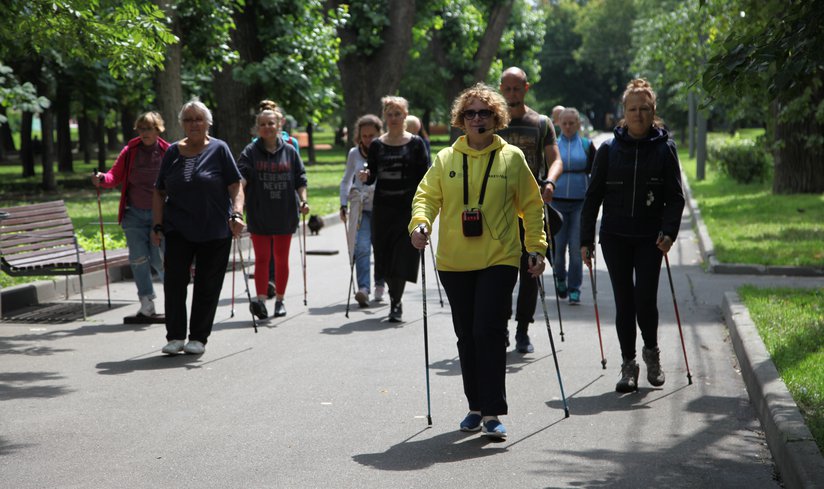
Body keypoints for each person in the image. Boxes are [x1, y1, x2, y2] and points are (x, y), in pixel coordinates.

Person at [410, 83, 547, 439]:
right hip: (454, 262)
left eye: (483, 113)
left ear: (495, 117)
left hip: (499, 257)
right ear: (460, 119)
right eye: (469, 113)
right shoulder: (445, 160)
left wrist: (536, 246)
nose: (476, 119)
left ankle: (492, 412)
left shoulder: (512, 158)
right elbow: (426, 197)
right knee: (467, 336)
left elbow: (531, 205)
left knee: (488, 331)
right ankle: (475, 406)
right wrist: (420, 223)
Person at [580, 79, 685, 393]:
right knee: (624, 302)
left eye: (644, 109)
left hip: (650, 237)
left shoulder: (665, 148)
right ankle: (628, 365)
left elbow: (675, 197)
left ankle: (651, 353)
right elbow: (593, 196)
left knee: (645, 299)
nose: (639, 114)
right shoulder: (609, 149)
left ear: (653, 111)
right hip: (615, 236)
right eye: (633, 109)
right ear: (623, 113)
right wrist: (585, 240)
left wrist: (669, 232)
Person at [152, 99, 245, 356]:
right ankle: (175, 336)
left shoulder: (219, 149)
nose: (194, 124)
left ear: (208, 123)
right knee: (174, 283)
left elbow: (236, 185)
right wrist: (157, 225)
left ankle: (198, 338)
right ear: (182, 124)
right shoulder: (172, 152)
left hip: (215, 229)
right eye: (188, 120)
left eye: (198, 119)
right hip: (178, 228)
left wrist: (236, 214)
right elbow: (159, 191)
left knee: (207, 285)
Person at [497, 66, 563, 354]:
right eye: (507, 88)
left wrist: (550, 181)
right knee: (499, 271)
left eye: (516, 88)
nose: (511, 93)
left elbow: (555, 159)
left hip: (531, 206)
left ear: (526, 88)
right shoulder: (491, 121)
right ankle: (500, 326)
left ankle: (523, 329)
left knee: (530, 269)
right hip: (497, 208)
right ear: (500, 88)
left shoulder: (542, 122)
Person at [359, 96, 429, 322]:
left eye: (398, 114)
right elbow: (371, 178)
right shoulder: (378, 145)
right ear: (384, 117)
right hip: (383, 209)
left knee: (403, 256)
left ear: (406, 115)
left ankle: (395, 302)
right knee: (385, 256)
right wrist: (366, 176)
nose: (394, 118)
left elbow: (425, 176)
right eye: (389, 114)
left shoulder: (416, 143)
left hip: (407, 209)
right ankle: (393, 298)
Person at [93, 111, 169, 318]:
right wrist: (102, 179)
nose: (144, 132)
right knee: (138, 259)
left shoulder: (167, 151)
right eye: (141, 128)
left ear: (158, 130)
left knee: (159, 259)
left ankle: (174, 300)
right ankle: (146, 303)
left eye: (149, 128)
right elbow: (114, 176)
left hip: (159, 216)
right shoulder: (130, 151)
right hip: (133, 214)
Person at [237, 100, 309, 319]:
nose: (267, 127)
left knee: (280, 259)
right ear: (258, 128)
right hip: (260, 212)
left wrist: (303, 201)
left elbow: (300, 178)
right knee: (261, 258)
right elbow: (241, 180)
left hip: (285, 212)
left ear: (279, 126)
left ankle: (280, 299)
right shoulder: (250, 151)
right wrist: (237, 206)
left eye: (271, 123)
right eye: (263, 124)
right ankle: (260, 301)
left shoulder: (289, 151)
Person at [339, 114, 385, 306]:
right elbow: (346, 180)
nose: (368, 140)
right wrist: (343, 203)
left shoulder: (385, 150)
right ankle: (363, 289)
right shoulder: (353, 154)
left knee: (381, 249)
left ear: (379, 134)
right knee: (362, 247)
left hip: (382, 208)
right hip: (362, 209)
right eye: (364, 135)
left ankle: (380, 284)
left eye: (372, 135)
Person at [551, 107, 596, 305]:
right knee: (557, 250)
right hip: (556, 203)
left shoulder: (587, 145)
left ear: (578, 124)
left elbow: (596, 173)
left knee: (577, 250)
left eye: (572, 123)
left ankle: (575, 288)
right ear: (558, 124)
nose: (568, 127)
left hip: (580, 203)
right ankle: (560, 277)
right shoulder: (552, 146)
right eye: (564, 123)